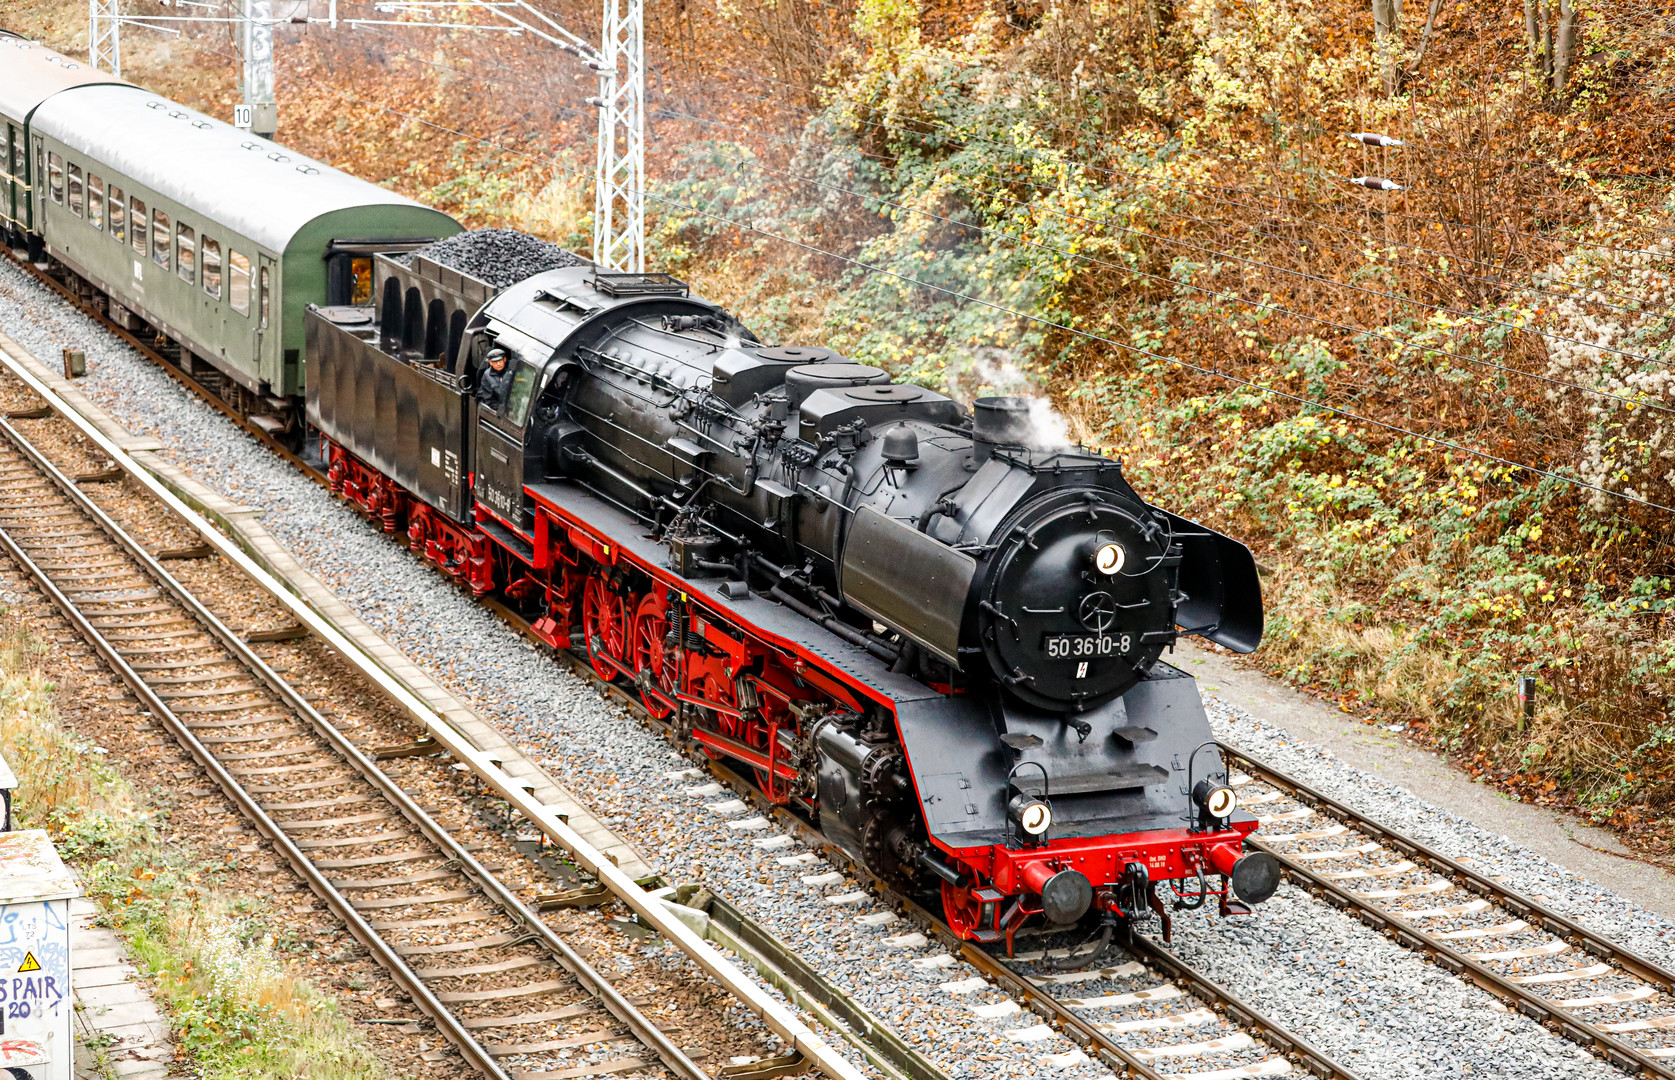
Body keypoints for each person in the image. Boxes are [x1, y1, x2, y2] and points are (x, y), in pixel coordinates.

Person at [475, 347, 513, 412]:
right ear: (490, 363)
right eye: (495, 362)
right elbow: (489, 400)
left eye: (500, 361)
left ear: (504, 359)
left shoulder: (512, 371)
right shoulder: (487, 376)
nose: (498, 364)